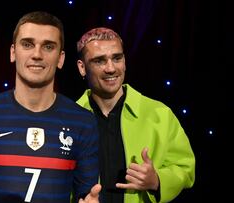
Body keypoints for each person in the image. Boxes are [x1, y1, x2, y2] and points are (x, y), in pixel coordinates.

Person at [0, 11, 101, 203]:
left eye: (48, 47)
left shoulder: (82, 121)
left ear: (60, 58)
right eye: (27, 44)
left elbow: (87, 193)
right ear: (12, 52)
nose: (37, 54)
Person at [75, 27, 195, 203]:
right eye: (100, 61)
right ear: (82, 68)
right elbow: (53, 179)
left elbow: (185, 168)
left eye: (117, 58)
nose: (111, 68)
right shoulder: (69, 117)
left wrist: (157, 180)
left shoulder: (159, 114)